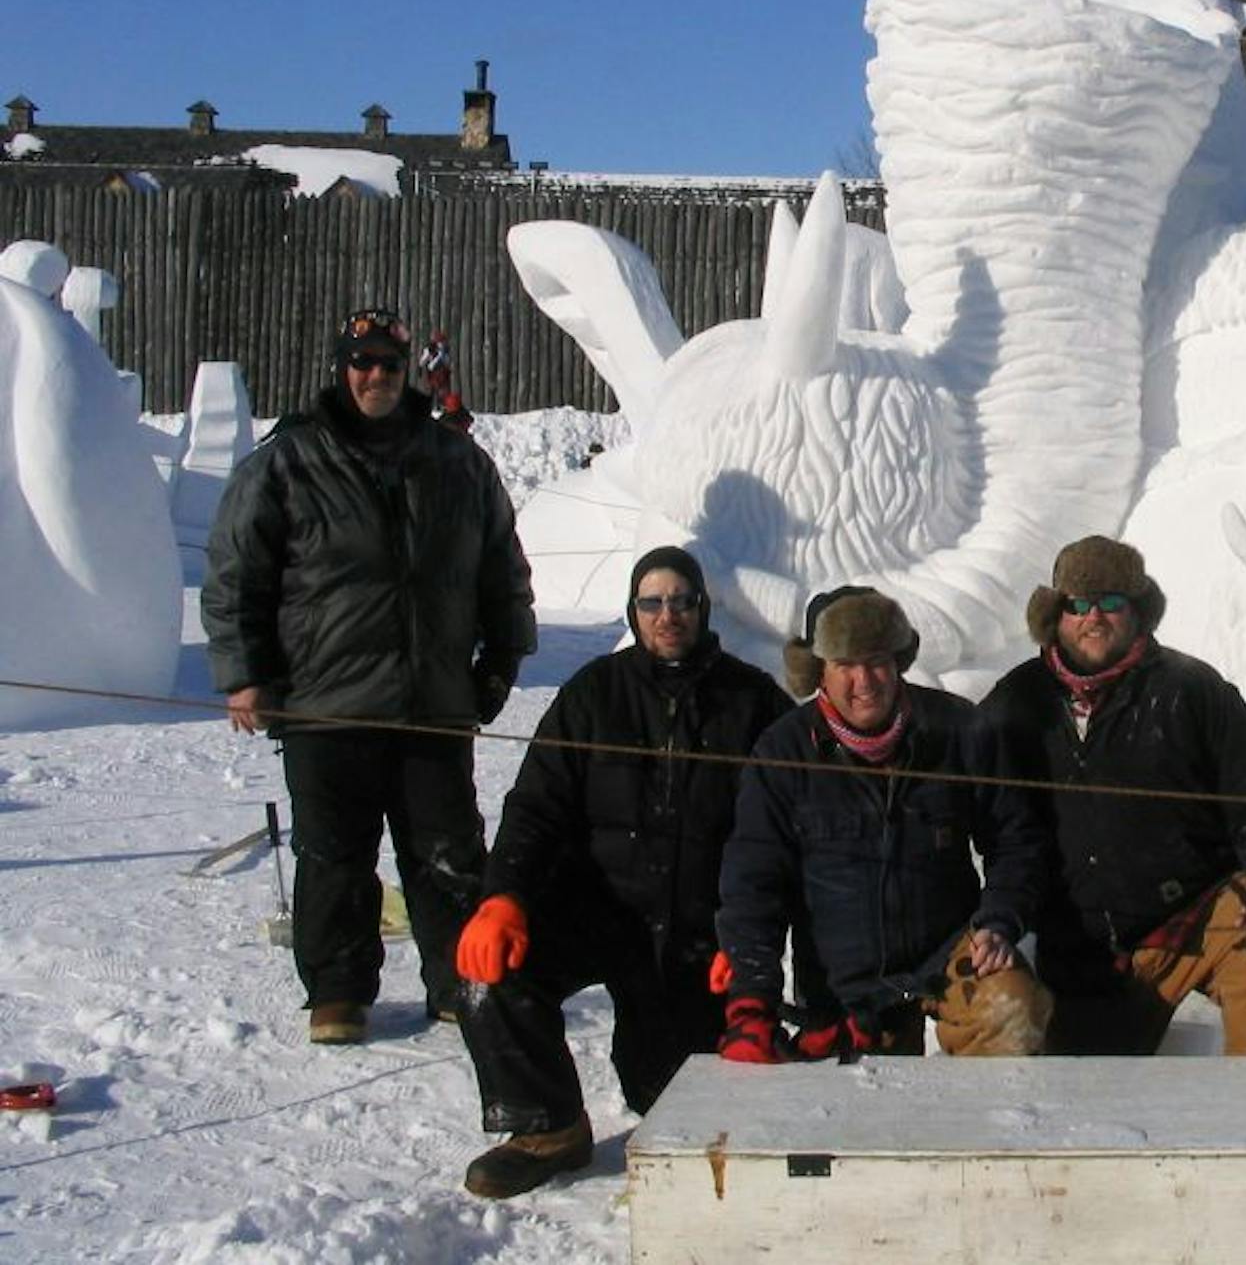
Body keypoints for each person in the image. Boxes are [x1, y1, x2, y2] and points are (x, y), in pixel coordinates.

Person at [203, 308, 535, 1046]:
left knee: (446, 853)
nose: (377, 376)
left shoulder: (457, 463)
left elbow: (504, 573)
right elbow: (235, 578)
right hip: (328, 703)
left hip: (432, 702)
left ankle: (458, 981)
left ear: (407, 369)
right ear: (341, 366)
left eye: (389, 363)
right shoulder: (287, 462)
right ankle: (338, 991)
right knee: (333, 854)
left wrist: (500, 664)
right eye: (364, 362)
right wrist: (245, 675)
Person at [454, 546, 794, 1200]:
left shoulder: (750, 700)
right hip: (598, 909)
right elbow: (535, 808)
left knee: (667, 1101)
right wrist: (504, 899)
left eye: (681, 602)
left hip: (697, 928)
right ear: (634, 612)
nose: (668, 615)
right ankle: (547, 1127)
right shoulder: (593, 693)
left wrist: (746, 942)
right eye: (652, 602)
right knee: (487, 976)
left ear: (702, 608)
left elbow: (784, 830)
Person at [980, 536, 1246, 1057]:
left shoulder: (1192, 689)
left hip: (1198, 920)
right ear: (1055, 614)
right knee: (1078, 1097)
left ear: (1138, 610)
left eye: (1111, 602)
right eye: (1079, 604)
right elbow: (997, 830)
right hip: (1079, 951)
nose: (1094, 617)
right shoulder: (1013, 704)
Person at [714, 587, 1052, 1063]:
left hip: (951, 953)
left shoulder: (957, 728)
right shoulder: (782, 753)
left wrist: (1000, 919)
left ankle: (982, 1130)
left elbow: (1016, 838)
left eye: (875, 660)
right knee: (863, 1119)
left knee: (1012, 1008)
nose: (864, 680)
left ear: (898, 660)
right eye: (845, 664)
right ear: (818, 673)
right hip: (842, 983)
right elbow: (752, 882)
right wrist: (752, 1000)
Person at [418, 328, 453, 405]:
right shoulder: (430, 349)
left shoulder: (443, 350)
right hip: (434, 372)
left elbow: (446, 360)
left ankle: (441, 404)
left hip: (441, 372)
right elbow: (424, 359)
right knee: (435, 389)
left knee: (441, 390)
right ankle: (436, 404)